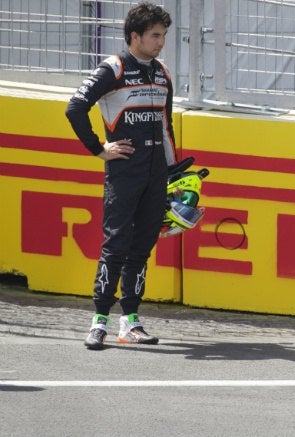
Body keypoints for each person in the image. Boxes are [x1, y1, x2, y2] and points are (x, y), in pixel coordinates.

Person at [65, 2, 176, 350]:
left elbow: (166, 127)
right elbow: (74, 108)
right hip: (124, 171)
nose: (161, 42)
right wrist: (99, 149)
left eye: (163, 35)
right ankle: (99, 321)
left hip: (156, 173)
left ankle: (130, 322)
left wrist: (171, 175)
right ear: (135, 36)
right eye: (155, 36)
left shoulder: (162, 72)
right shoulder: (112, 68)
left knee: (142, 248)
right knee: (115, 245)